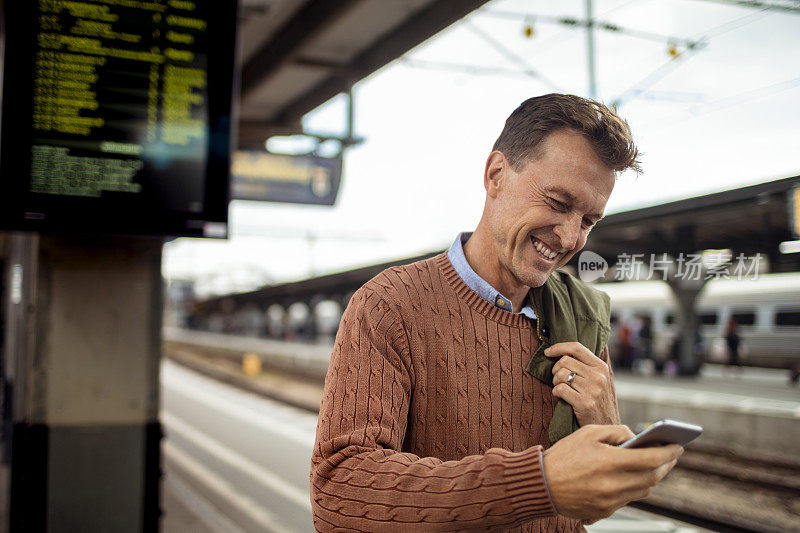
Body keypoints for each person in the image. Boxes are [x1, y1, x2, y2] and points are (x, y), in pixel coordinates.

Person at [310, 94, 683, 532]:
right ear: (496, 175)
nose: (568, 238)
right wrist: (537, 481)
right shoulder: (390, 305)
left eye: (588, 221)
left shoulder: (581, 317)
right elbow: (339, 493)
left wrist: (606, 438)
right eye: (559, 203)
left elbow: (584, 511)